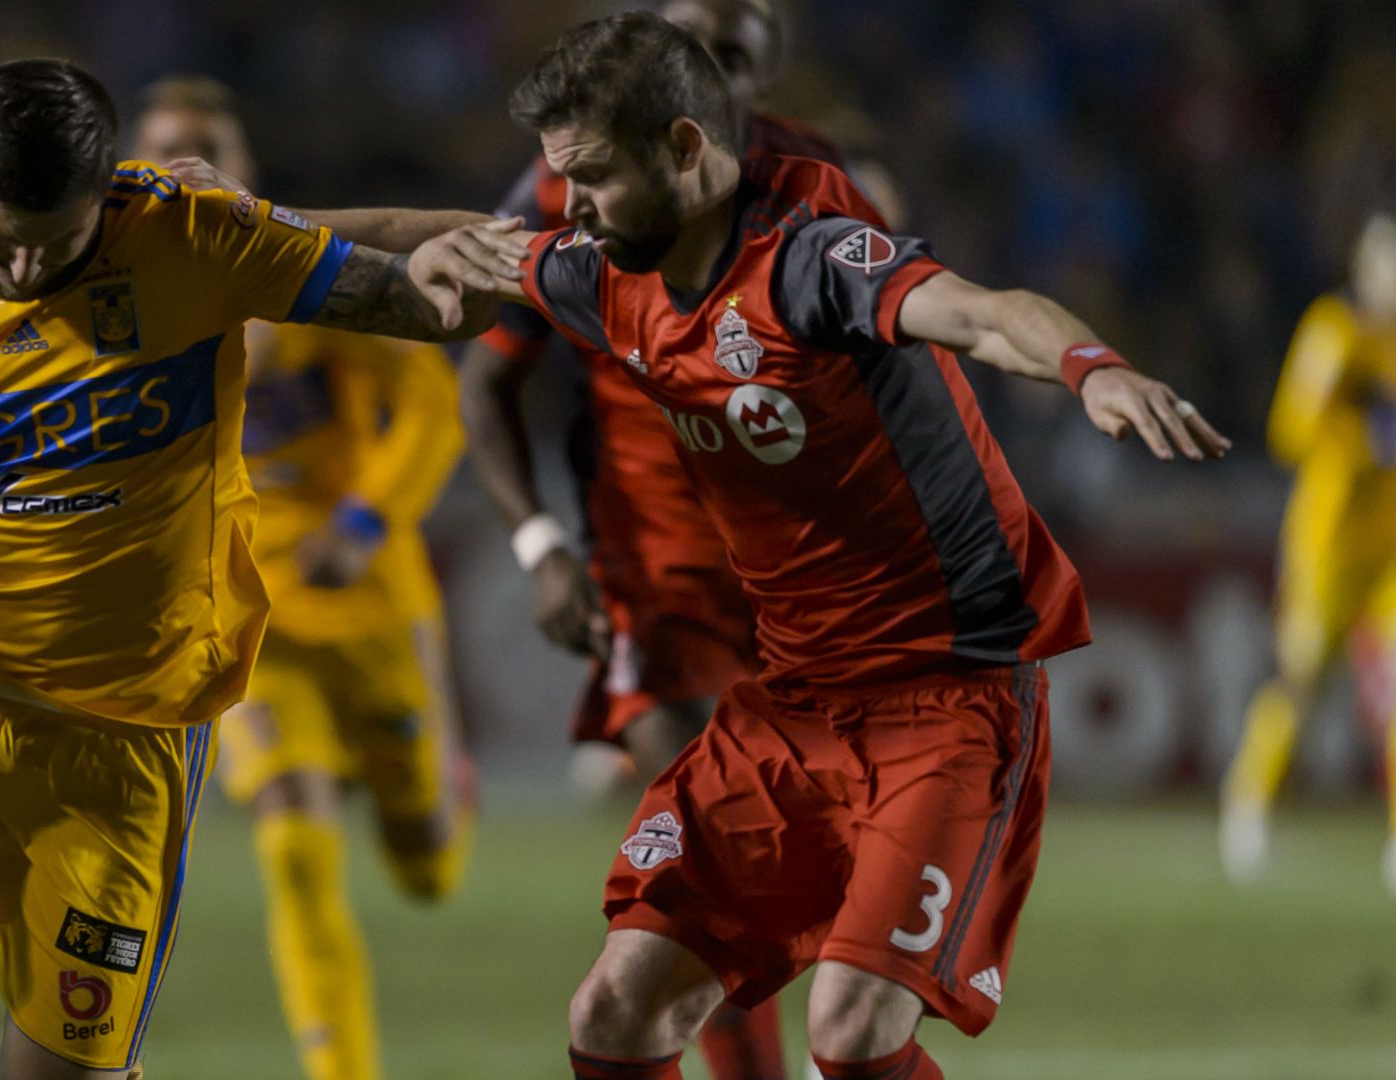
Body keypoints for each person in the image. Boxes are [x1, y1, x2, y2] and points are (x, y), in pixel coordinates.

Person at [407, 13, 1229, 1079]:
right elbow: (453, 241)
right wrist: (250, 228)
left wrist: (1090, 368)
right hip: (790, 701)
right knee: (614, 1010)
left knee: (850, 1031)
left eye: (595, 178)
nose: (574, 207)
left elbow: (980, 315)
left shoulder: (814, 261)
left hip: (947, 700)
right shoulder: (607, 273)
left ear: (686, 149)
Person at [0, 58, 507, 1080]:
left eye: (55, 244)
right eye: (1, 241)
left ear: (107, 190)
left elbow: (427, 301)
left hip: (122, 741)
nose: (26, 272)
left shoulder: (192, 237)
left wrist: (516, 257)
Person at [457, 3, 827, 1076]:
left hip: (805, 582)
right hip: (656, 576)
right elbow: (486, 376)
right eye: (690, 39)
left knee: (784, 870)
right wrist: (538, 542)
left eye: (735, 39)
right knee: (717, 859)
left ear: (772, 55)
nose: (713, 58)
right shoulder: (571, 191)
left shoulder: (825, 183)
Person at [131, 76, 475, 1080]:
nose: (180, 171)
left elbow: (429, 411)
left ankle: (435, 785)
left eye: (206, 152)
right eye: (158, 153)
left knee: (426, 868)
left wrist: (366, 521)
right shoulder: (123, 303)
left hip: (365, 599)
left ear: (245, 176)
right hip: (248, 621)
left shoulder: (311, 282)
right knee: (291, 843)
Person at [1221, 212, 1396, 891]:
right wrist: (1363, 428)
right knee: (1300, 679)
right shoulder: (1336, 330)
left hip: (1391, 548)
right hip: (1325, 545)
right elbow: (1291, 430)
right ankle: (1250, 808)